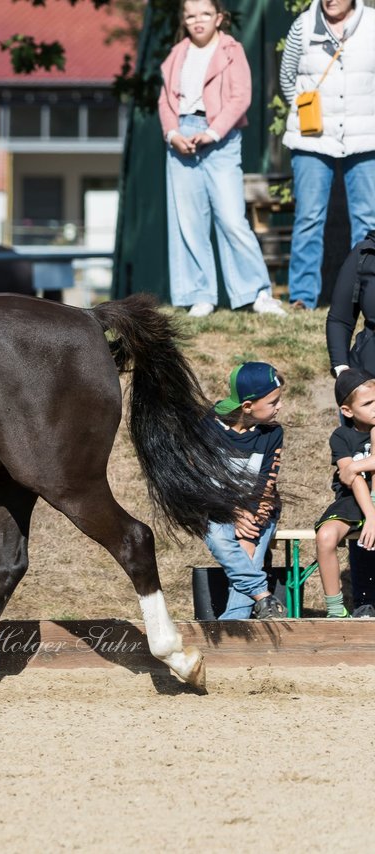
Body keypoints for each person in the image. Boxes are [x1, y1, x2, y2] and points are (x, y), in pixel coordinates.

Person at [158, 0, 286, 318]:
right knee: (188, 222)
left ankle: (256, 293)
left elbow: (241, 96)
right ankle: (199, 295)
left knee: (231, 218)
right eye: (190, 15)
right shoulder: (177, 54)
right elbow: (165, 100)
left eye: (204, 14)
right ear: (183, 21)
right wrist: (172, 134)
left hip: (221, 138)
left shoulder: (232, 50)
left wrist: (213, 132)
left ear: (219, 18)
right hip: (182, 137)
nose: (197, 20)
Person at [280, 0, 375, 310]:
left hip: (365, 136)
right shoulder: (302, 25)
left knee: (367, 221)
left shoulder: (372, 23)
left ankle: (364, 297)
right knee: (308, 218)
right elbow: (287, 78)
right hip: (312, 138)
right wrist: (306, 110)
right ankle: (302, 298)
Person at [200, 362, 287, 620]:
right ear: (247, 407)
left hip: (259, 507)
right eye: (273, 402)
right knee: (218, 537)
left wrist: (251, 516)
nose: (279, 407)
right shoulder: (208, 427)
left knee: (248, 550)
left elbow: (267, 482)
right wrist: (233, 513)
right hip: (217, 508)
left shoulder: (272, 432)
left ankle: (232, 621)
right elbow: (204, 479)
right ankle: (263, 596)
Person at [324, 232, 375, 615]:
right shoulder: (364, 251)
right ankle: (366, 599)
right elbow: (341, 316)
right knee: (364, 496)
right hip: (368, 380)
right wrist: (343, 369)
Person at [315, 369, 375, 618]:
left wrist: (357, 466)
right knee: (326, 536)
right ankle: (335, 610)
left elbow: (353, 470)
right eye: (369, 403)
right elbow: (351, 480)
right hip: (353, 500)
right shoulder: (342, 436)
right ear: (347, 411)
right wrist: (371, 516)